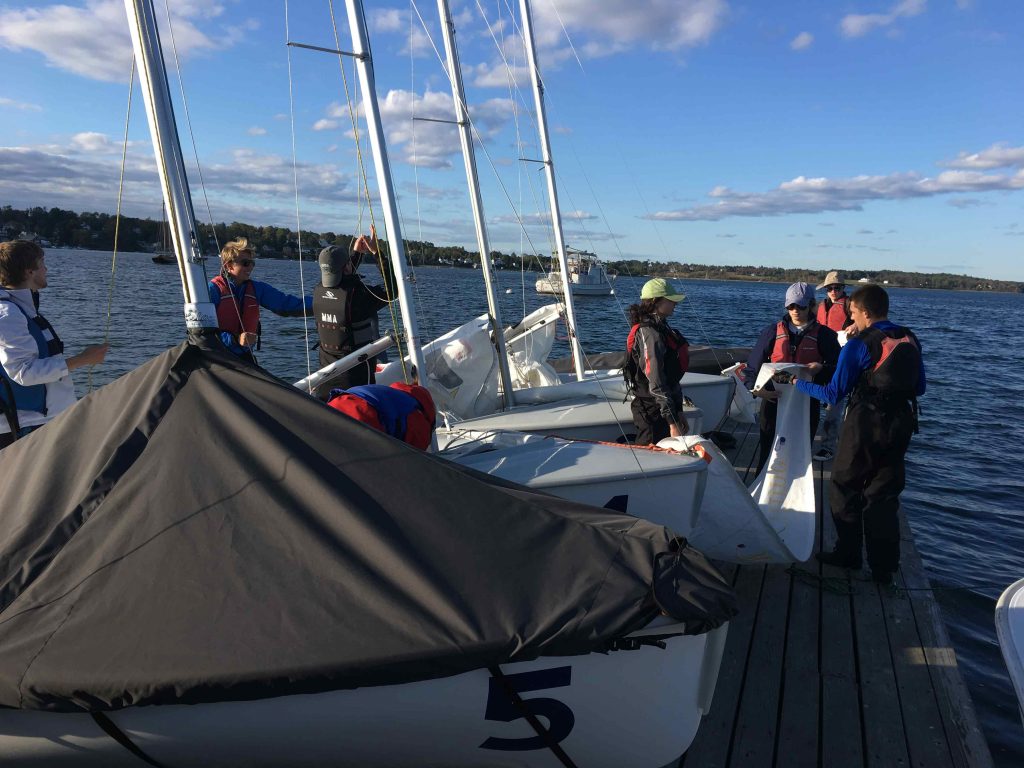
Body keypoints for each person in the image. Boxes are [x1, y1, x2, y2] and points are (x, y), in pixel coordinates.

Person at [785, 284, 925, 585]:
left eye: (853, 314)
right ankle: (884, 569)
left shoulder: (859, 345)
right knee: (883, 494)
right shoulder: (909, 338)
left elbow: (834, 392)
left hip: (866, 423)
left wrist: (798, 384)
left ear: (863, 312)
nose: (851, 321)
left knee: (844, 485)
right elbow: (921, 387)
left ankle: (848, 554)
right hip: (902, 423)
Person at [0, 240, 109, 449]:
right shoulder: (8, 314)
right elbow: (24, 372)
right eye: (42, 263)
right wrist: (84, 359)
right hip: (21, 427)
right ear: (29, 271)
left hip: (40, 421)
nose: (46, 269)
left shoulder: (21, 307)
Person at [744, 281, 840, 473]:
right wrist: (756, 389)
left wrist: (821, 368)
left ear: (812, 305)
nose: (795, 310)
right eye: (791, 306)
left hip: (806, 402)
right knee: (768, 451)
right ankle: (760, 493)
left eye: (801, 306)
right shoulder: (772, 332)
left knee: (800, 451)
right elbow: (752, 366)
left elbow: (837, 369)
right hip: (773, 400)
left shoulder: (825, 335)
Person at [313, 225, 398, 400]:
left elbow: (341, 275)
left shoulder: (318, 292)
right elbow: (393, 291)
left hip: (326, 376)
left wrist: (357, 254)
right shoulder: (357, 297)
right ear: (345, 268)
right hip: (356, 380)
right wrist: (376, 253)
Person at [208, 238, 312, 363]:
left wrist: (323, 303)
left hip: (245, 358)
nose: (250, 267)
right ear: (229, 266)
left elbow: (286, 304)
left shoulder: (256, 289)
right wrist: (234, 339)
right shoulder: (213, 290)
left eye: (252, 263)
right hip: (216, 359)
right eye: (245, 263)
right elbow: (202, 332)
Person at [624, 278, 690, 445]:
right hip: (651, 411)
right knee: (649, 459)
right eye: (671, 300)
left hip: (661, 409)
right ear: (656, 302)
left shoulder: (662, 328)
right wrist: (672, 422)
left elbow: (670, 377)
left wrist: (679, 410)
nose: (676, 304)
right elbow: (656, 381)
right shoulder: (649, 333)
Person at [812, 270, 854, 461]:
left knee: (834, 404)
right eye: (830, 288)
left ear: (843, 288)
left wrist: (855, 326)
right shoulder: (820, 306)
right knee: (812, 400)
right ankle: (805, 440)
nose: (833, 291)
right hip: (822, 357)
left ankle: (828, 446)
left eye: (837, 288)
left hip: (842, 358)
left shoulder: (850, 305)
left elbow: (865, 324)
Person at [327, 380, 436, 450]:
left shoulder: (395, 392)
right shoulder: (420, 423)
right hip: (363, 417)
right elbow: (413, 460)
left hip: (336, 404)